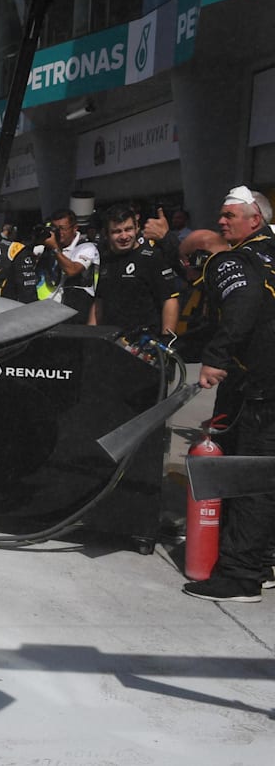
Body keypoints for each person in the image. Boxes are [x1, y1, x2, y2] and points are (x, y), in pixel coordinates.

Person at [183, 185, 275, 602]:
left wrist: (215, 357)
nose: (221, 222)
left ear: (254, 219)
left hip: (258, 389)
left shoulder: (234, 260)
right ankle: (263, 561)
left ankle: (240, 577)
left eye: (229, 216)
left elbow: (242, 305)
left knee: (248, 478)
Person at [88, 205, 181, 335]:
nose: (124, 236)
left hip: (145, 341)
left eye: (128, 229)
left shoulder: (152, 257)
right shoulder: (104, 259)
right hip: (111, 341)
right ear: (106, 233)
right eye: (117, 231)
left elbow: (170, 300)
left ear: (137, 228)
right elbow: (99, 302)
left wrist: (167, 340)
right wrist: (91, 337)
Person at [38, 208, 100, 323]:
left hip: (78, 310)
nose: (58, 232)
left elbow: (72, 270)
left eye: (62, 228)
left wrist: (55, 249)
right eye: (55, 228)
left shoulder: (87, 247)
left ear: (75, 228)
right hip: (49, 312)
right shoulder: (47, 247)